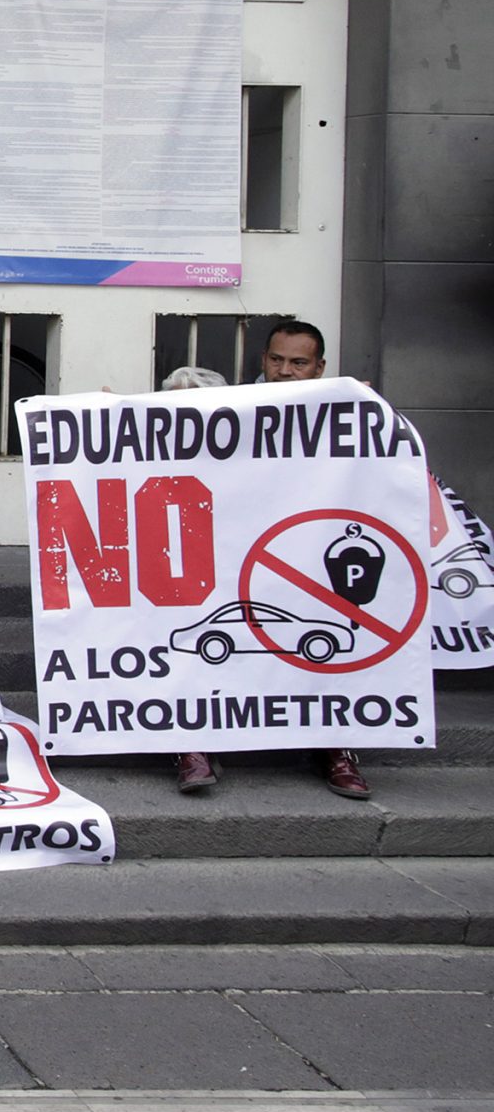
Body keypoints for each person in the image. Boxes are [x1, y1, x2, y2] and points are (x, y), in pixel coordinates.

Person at [172, 319, 371, 801]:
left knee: (326, 653)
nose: (285, 372)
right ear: (263, 360)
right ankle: (188, 744)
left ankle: (334, 749)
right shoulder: (233, 408)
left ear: (319, 367)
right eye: (276, 360)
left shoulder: (342, 411)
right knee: (191, 635)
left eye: (298, 363)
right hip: (231, 553)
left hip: (301, 560)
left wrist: (368, 412)